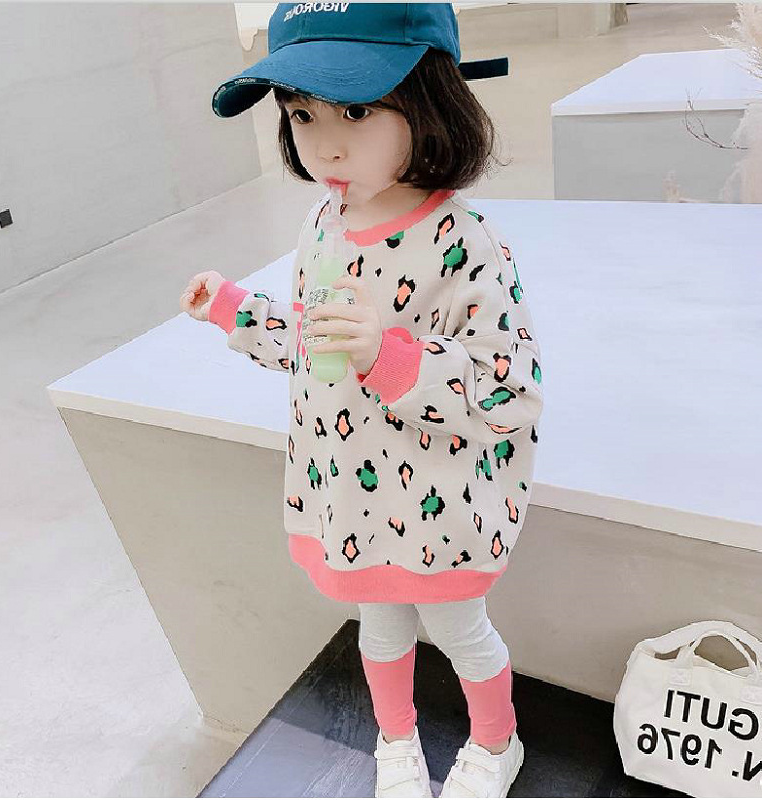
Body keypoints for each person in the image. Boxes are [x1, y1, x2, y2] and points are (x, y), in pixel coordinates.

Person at [179, 4, 543, 797]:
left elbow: (508, 389)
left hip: (437, 502)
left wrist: (392, 357)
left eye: (354, 111)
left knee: (460, 630)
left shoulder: (464, 241)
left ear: (430, 99)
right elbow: (319, 348)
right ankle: (396, 739)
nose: (325, 145)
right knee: (378, 628)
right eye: (301, 113)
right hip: (350, 495)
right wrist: (237, 311)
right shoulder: (324, 223)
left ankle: (497, 743)